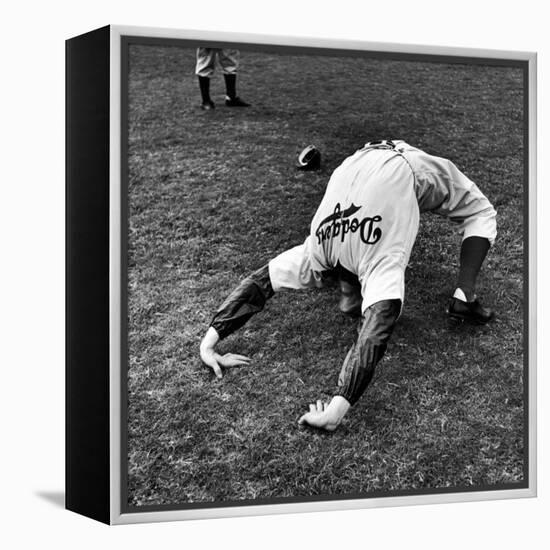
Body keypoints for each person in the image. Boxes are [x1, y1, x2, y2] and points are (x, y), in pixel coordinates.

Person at [199, 140, 497, 432]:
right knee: (481, 213)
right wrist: (335, 410)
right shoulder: (343, 256)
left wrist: (209, 342)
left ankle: (464, 295)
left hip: (391, 165)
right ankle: (463, 297)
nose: (351, 306)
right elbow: (377, 323)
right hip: (360, 166)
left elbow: (262, 281)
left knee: (475, 210)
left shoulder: (319, 249)